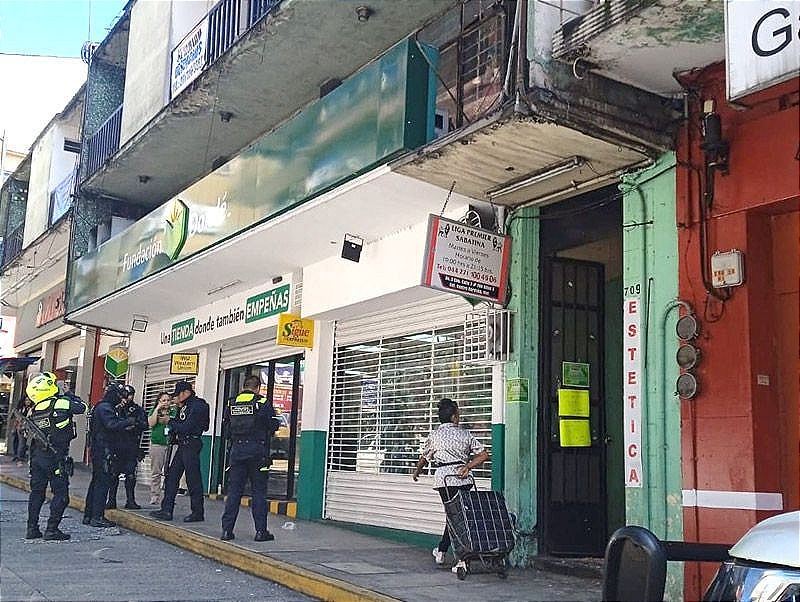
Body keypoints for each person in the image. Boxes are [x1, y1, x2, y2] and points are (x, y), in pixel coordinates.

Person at [412, 398, 489, 574]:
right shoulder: (465, 434)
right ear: (454, 417)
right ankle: (452, 554)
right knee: (458, 517)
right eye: (458, 415)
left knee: (454, 516)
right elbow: (484, 455)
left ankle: (448, 553)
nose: (459, 417)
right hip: (464, 479)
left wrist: (417, 472)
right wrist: (468, 466)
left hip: (444, 480)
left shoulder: (435, 435)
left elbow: (424, 458)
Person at [24, 372, 87, 540]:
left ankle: (32, 528)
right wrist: (68, 393)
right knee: (61, 494)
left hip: (37, 457)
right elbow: (83, 407)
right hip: (56, 456)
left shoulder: (33, 409)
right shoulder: (61, 402)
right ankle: (51, 529)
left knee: (37, 492)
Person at [220, 375, 278, 542]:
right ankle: (260, 532)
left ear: (243, 387)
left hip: (237, 451)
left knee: (234, 492)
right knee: (258, 492)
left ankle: (227, 531)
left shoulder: (232, 403)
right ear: (258, 388)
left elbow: (226, 428)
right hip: (257, 452)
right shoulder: (262, 402)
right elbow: (272, 425)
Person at [150, 381, 209, 522]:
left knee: (193, 479)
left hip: (191, 443)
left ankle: (197, 512)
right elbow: (179, 424)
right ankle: (166, 509)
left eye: (178, 395)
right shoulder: (184, 406)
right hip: (183, 444)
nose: (176, 398)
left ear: (186, 393)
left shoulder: (198, 406)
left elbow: (187, 427)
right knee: (172, 477)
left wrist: (170, 421)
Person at [83, 382, 138, 527]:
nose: (121, 399)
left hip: (101, 449)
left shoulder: (103, 407)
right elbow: (111, 425)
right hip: (103, 450)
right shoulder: (105, 408)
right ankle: (97, 516)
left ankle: (90, 515)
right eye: (120, 396)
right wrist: (128, 422)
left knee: (96, 483)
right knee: (101, 484)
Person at [107, 385, 148, 509]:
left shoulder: (137, 410)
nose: (127, 398)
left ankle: (130, 500)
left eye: (129, 395)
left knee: (130, 474)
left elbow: (145, 425)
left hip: (131, 445)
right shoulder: (115, 409)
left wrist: (134, 424)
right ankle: (111, 500)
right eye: (125, 395)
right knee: (113, 474)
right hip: (117, 445)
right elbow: (110, 425)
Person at [147, 392, 175, 506]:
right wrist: (157, 409)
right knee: (156, 472)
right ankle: (155, 496)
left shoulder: (174, 412)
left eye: (168, 400)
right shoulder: (154, 411)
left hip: (171, 445)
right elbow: (151, 423)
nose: (166, 402)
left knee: (171, 473)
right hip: (157, 444)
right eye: (163, 400)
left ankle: (169, 497)